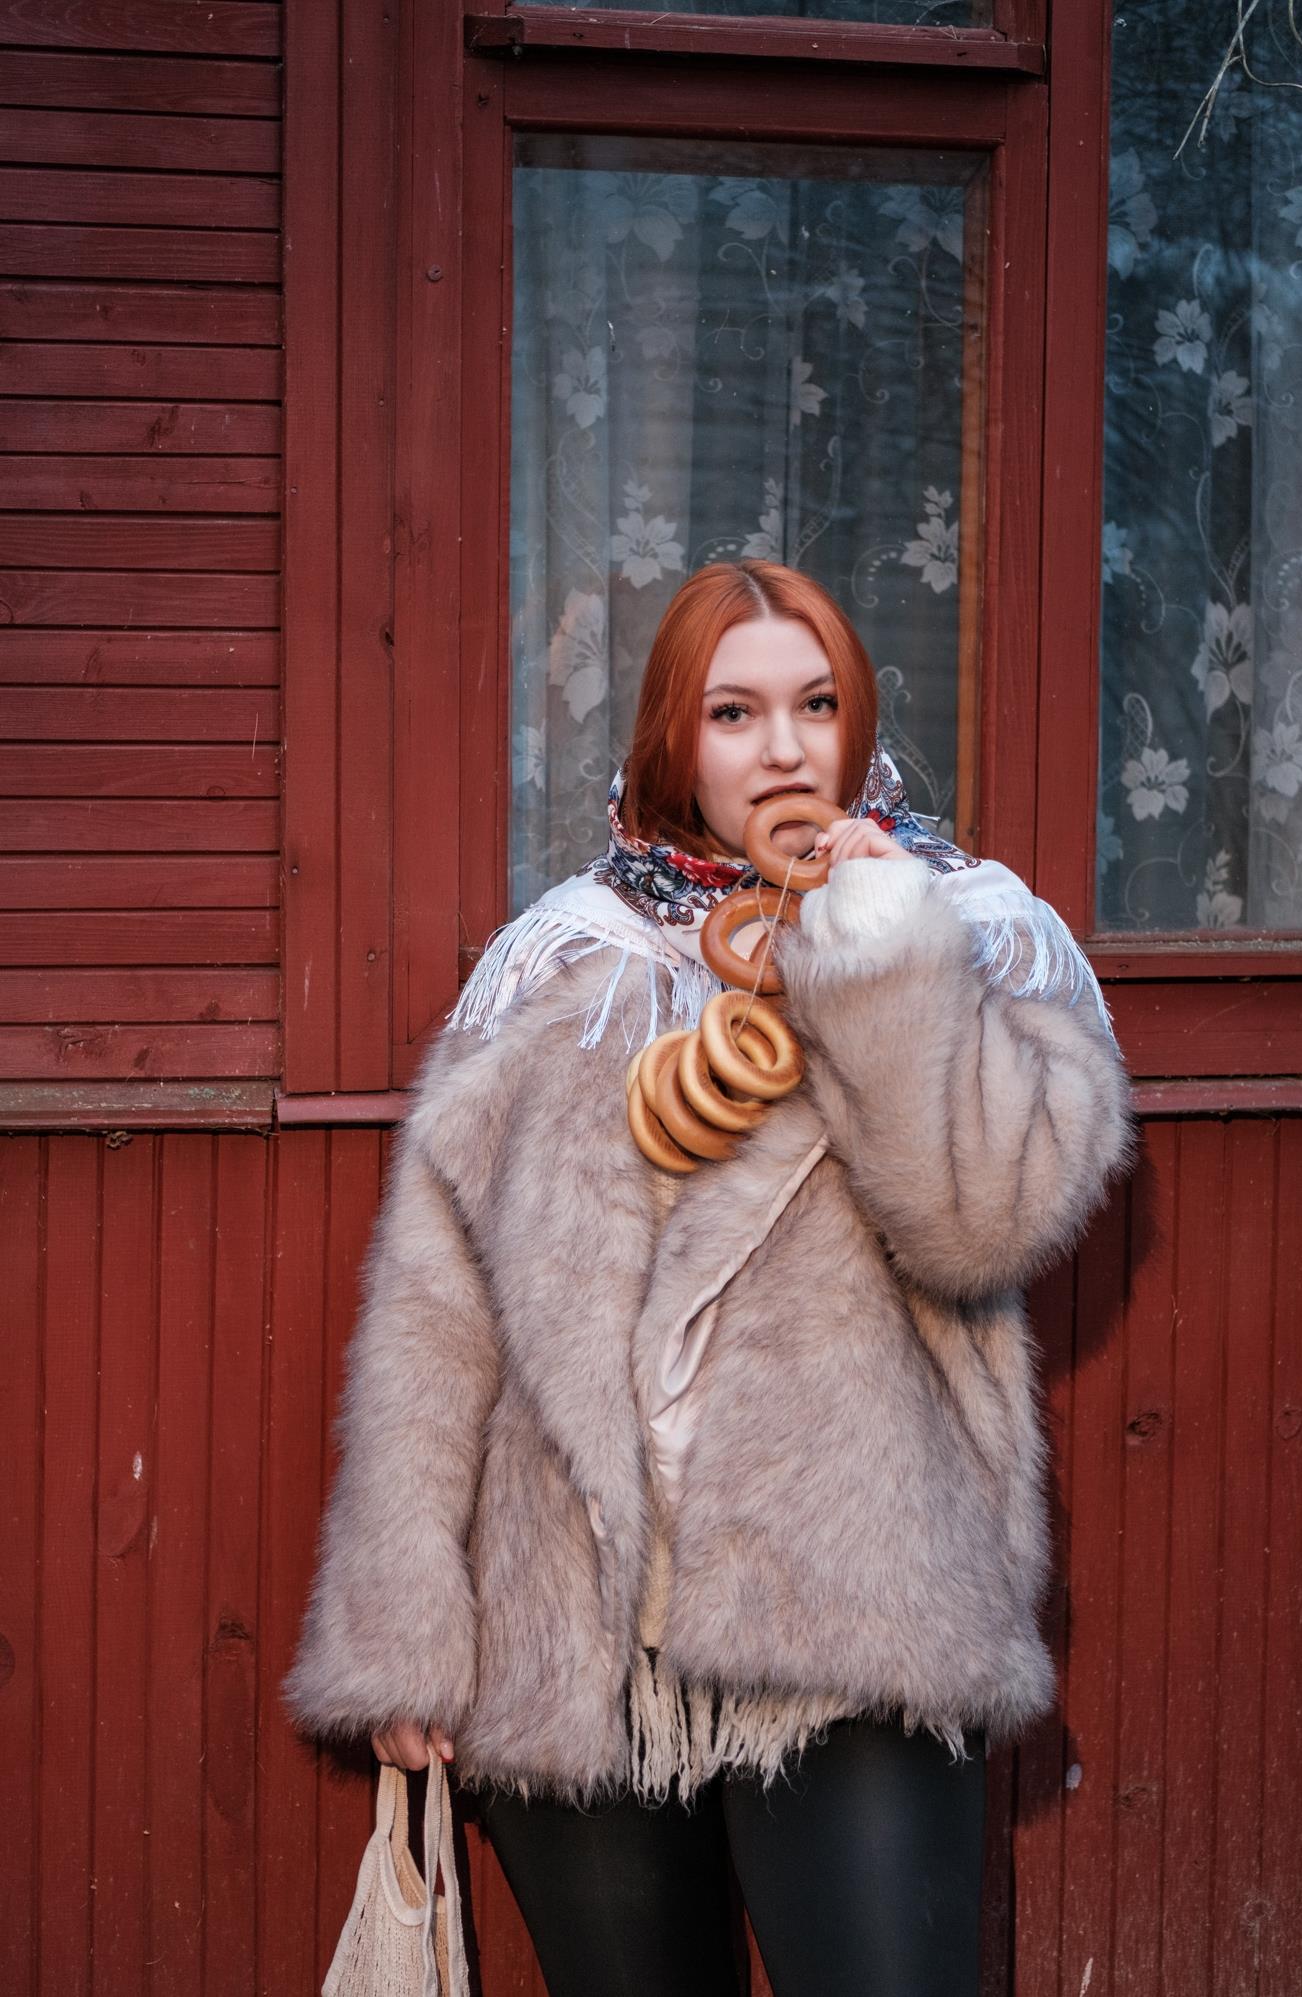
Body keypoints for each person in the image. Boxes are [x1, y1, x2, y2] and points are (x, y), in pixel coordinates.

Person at [286, 560, 1133, 1997]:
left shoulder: (966, 932)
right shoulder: (566, 961)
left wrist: (877, 952)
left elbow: (984, 1224)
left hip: (857, 1617)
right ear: (673, 734)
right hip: (576, 1632)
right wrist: (405, 1631)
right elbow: (439, 1315)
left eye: (817, 705)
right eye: (734, 712)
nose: (784, 748)